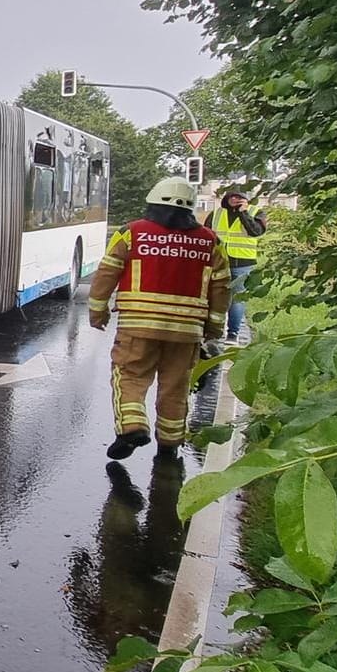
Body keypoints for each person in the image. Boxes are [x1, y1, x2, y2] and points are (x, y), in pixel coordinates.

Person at [88, 178, 232, 461]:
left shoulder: (131, 233)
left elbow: (107, 273)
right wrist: (214, 327)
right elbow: (222, 286)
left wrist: (98, 311)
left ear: (152, 202)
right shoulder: (210, 241)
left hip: (137, 327)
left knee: (129, 376)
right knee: (176, 386)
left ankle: (132, 426)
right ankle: (169, 444)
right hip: (187, 332)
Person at [205, 190, 266, 344]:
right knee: (213, 296)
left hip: (243, 262)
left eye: (239, 197)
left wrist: (244, 213)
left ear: (246, 199)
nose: (234, 199)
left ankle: (233, 334)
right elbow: (206, 236)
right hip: (218, 261)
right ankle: (213, 332)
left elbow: (256, 232)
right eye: (231, 196)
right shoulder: (216, 214)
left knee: (237, 299)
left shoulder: (256, 212)